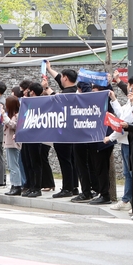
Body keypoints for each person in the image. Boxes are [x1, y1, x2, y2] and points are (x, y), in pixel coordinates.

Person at [45, 61, 80, 199]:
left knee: (65, 160)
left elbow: (58, 100)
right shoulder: (75, 90)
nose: (60, 79)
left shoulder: (68, 94)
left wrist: (47, 88)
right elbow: (58, 78)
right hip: (72, 133)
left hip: (63, 132)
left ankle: (67, 188)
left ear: (65, 78)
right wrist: (49, 69)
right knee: (71, 160)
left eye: (62, 77)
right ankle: (74, 186)